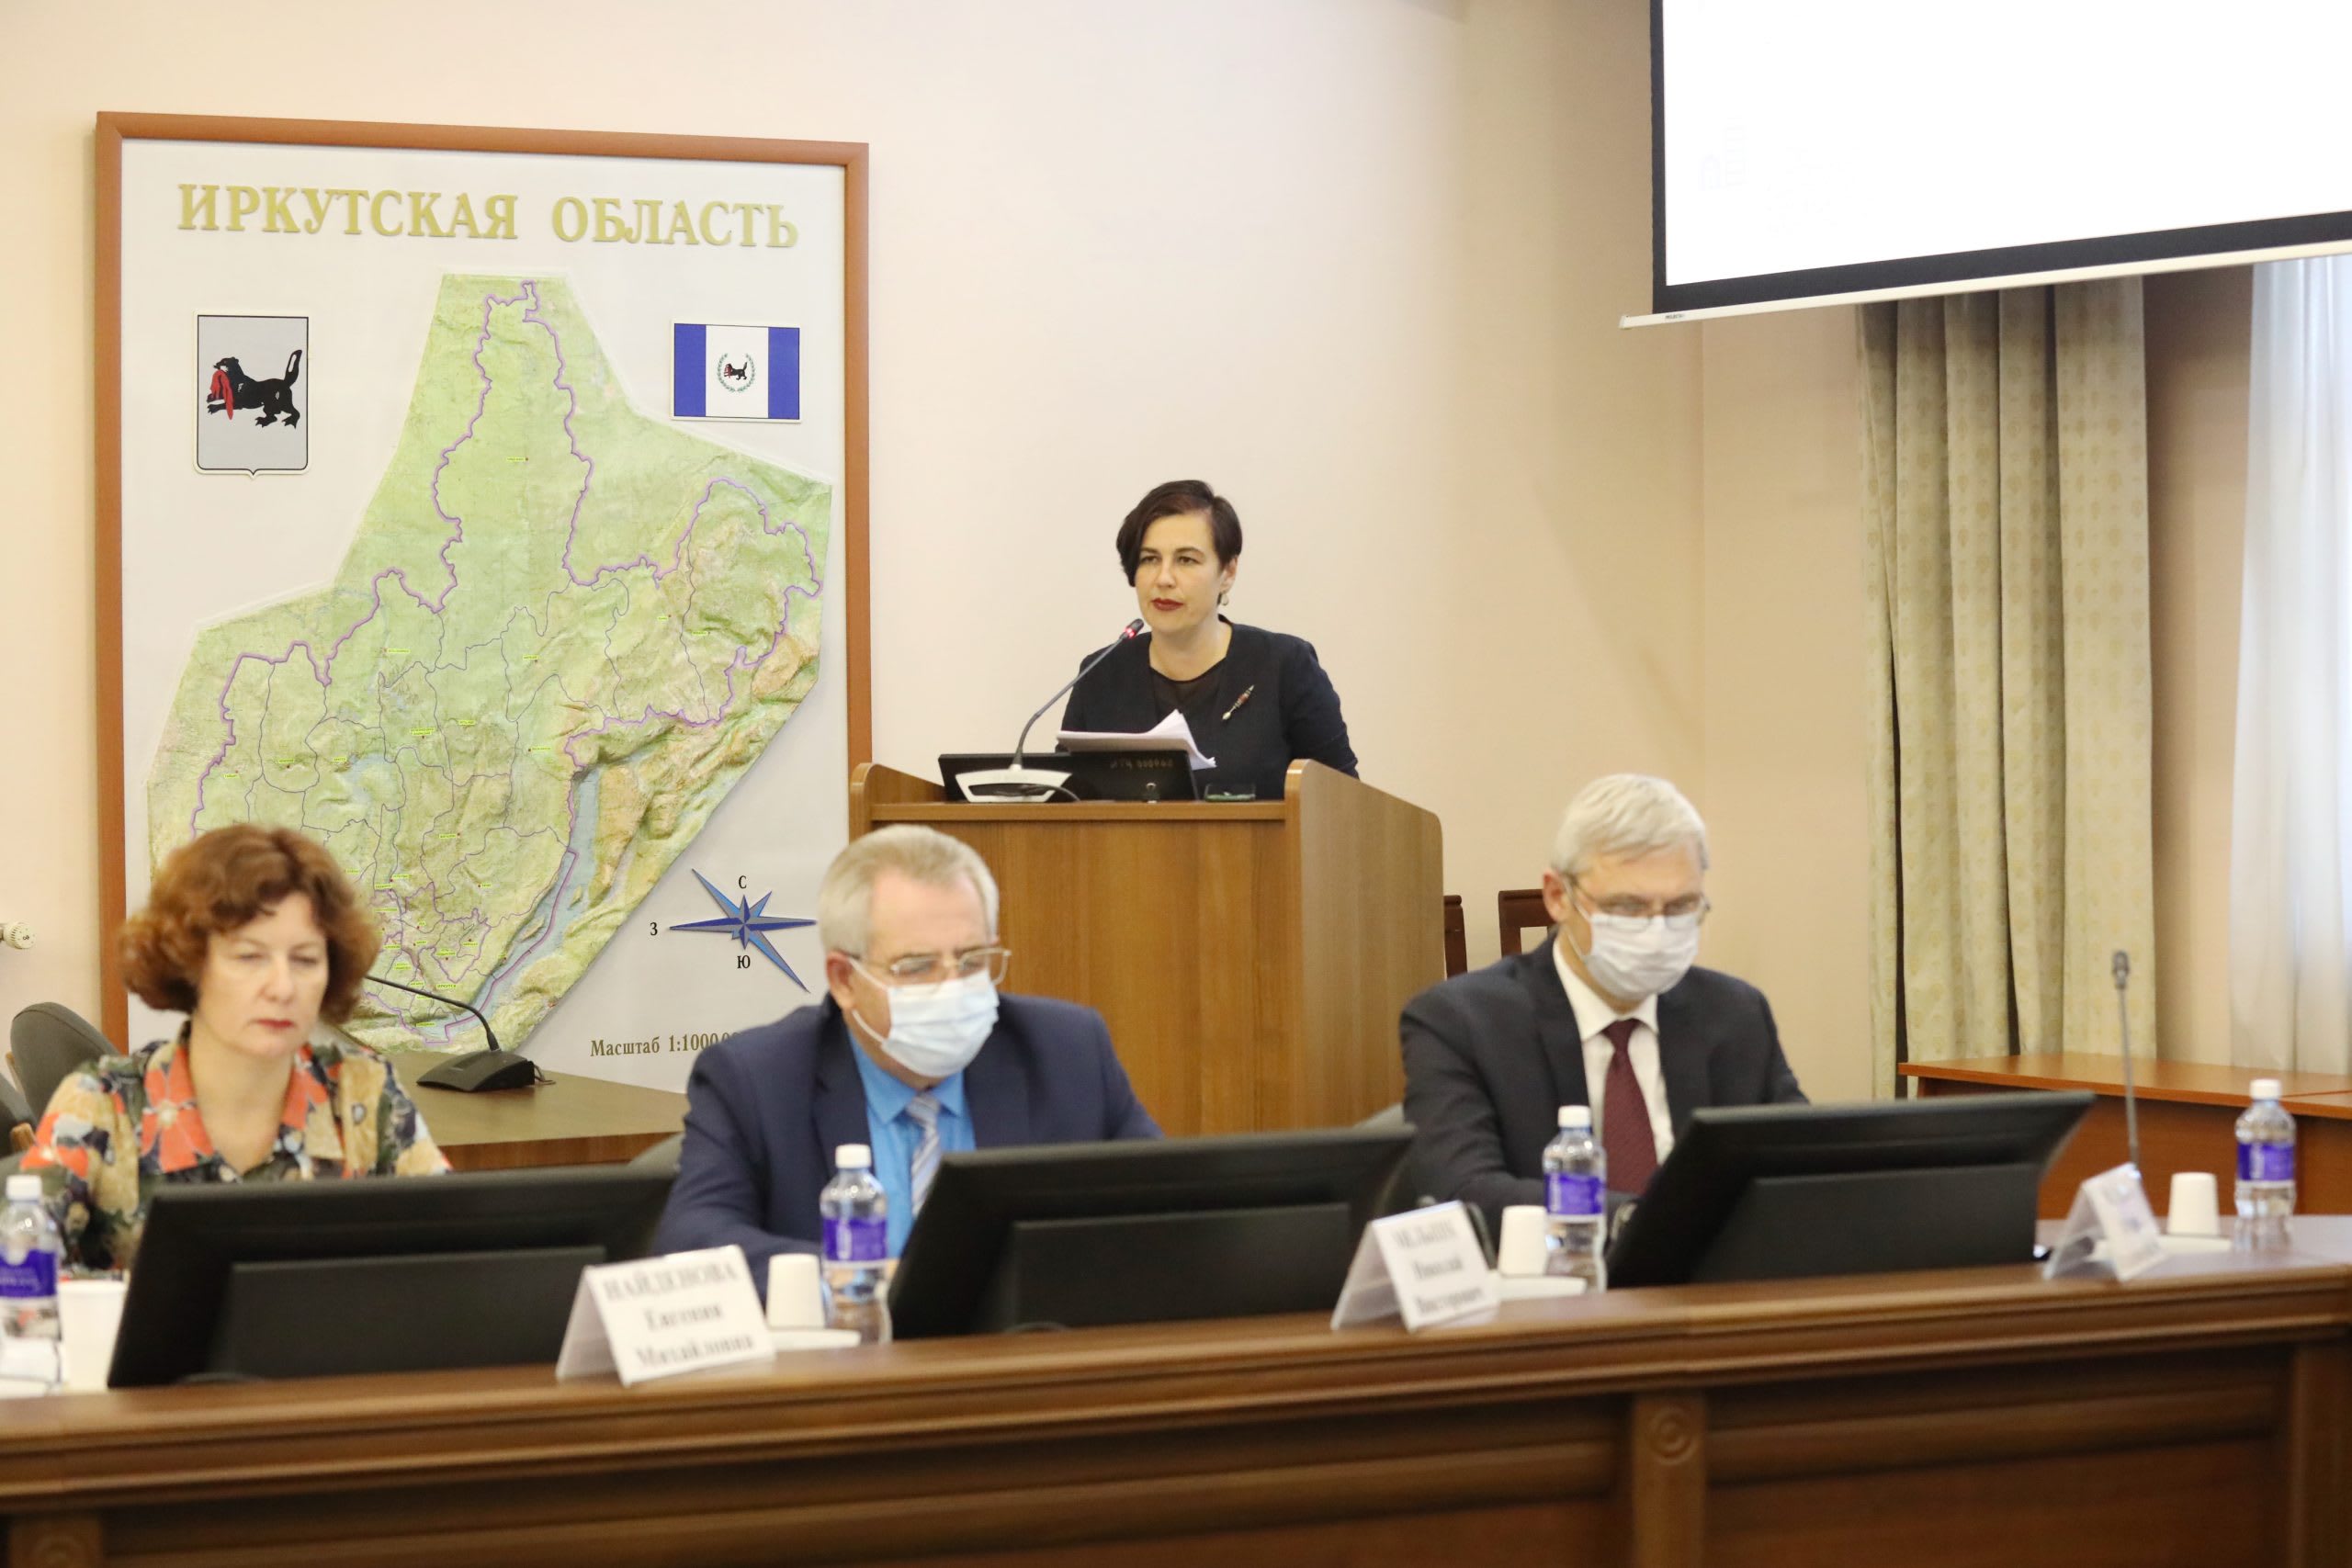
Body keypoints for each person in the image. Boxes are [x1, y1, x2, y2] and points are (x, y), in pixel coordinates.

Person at [656, 826, 1159, 1280]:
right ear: (844, 979)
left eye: (972, 961)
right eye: (917, 967)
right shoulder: (756, 1079)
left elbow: (1165, 1214)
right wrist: (866, 1281)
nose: (952, 987)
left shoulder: (1067, 1052)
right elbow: (693, 1245)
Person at [22, 824, 447, 1271]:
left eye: (305, 960)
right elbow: (14, 1273)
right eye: (249, 957)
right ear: (191, 964)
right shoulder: (100, 1105)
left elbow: (452, 1262)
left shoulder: (365, 1093)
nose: (282, 988)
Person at [1400, 773, 1805, 1234]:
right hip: (1546, 1276)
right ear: (1558, 897)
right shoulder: (1461, 1022)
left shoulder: (1736, 1014)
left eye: (1680, 907)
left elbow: (1800, 1166)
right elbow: (1464, 1192)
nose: (1656, 932)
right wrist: (1638, 1221)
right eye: (1628, 907)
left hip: (1716, 1275)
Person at [1059, 479, 1356, 801]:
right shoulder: (1100, 676)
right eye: (1149, 559)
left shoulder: (1284, 667)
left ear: (1228, 572)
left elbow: (1344, 802)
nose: (1164, 579)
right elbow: (1063, 804)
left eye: (1186, 560)